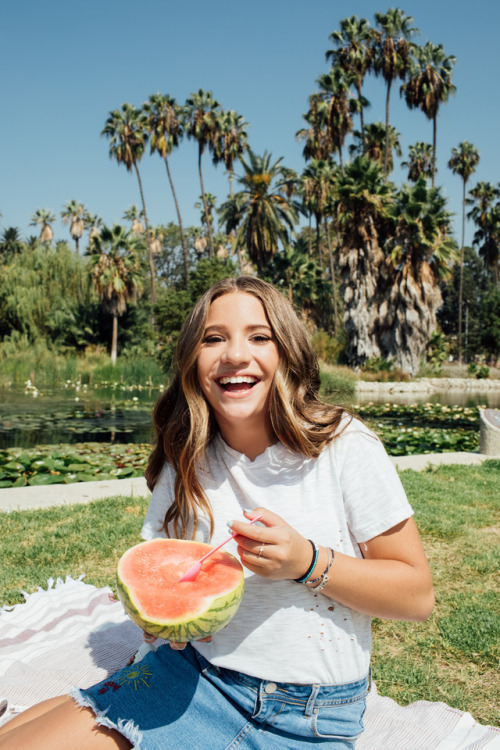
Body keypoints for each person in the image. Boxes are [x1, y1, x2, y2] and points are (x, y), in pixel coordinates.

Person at [0, 276, 434, 750]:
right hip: (191, 673)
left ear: (287, 352)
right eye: (213, 338)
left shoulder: (344, 446)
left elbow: (416, 597)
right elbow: (161, 573)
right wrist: (155, 617)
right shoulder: (186, 454)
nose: (234, 354)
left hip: (303, 714)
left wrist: (307, 561)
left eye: (259, 336)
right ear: (193, 360)